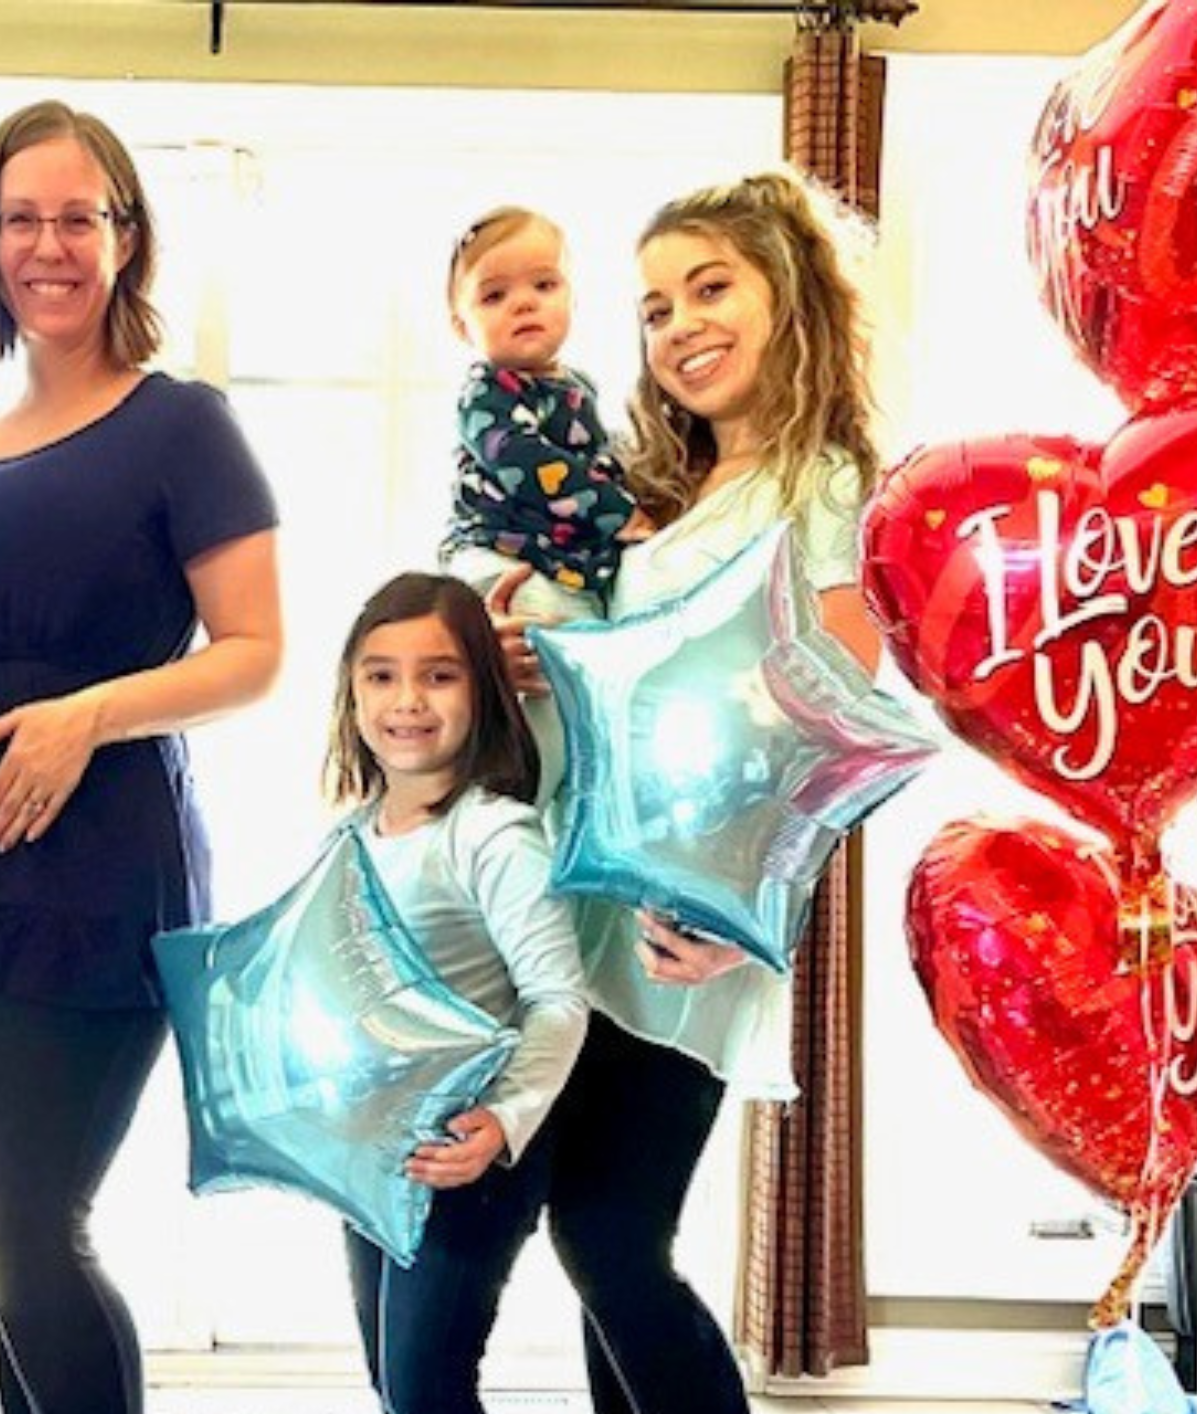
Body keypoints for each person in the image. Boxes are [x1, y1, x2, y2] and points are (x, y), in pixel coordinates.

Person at [0, 100, 282, 1414]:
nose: (48, 244)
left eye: (77, 216)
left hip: (86, 863)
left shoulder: (179, 423)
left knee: (29, 1224)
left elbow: (252, 650)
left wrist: (84, 713)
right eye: (20, 217)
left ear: (125, 237)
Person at [490, 169, 884, 1414]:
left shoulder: (823, 485)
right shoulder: (653, 493)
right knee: (595, 1230)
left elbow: (833, 718)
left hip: (691, 909)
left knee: (607, 1230)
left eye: (711, 287)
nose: (679, 325)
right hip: (592, 883)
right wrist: (529, 651)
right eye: (655, 306)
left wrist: (738, 901)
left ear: (792, 298)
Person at [324, 572, 589, 1414]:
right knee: (396, 1382)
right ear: (352, 692)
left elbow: (557, 997)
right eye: (380, 675)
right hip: (376, 1151)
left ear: (482, 689)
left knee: (426, 1390)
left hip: (464, 1154)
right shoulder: (349, 835)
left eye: (438, 675)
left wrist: (503, 1122)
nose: (407, 700)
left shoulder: (493, 834)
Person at [439, 206, 649, 625]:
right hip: (500, 555)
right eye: (494, 295)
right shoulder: (487, 390)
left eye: (544, 284)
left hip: (557, 560)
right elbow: (524, 460)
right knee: (547, 659)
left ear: (573, 298)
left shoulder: (578, 386)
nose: (524, 302)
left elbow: (593, 455)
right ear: (462, 326)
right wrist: (620, 513)